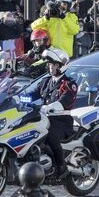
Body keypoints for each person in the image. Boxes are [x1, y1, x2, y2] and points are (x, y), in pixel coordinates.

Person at [38, 48, 77, 178]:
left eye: (54, 64)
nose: (50, 67)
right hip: (44, 118)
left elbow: (64, 101)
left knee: (49, 136)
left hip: (61, 121)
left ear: (61, 66)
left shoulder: (69, 84)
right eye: (49, 64)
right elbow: (30, 94)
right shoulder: (46, 81)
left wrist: (49, 106)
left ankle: (61, 166)